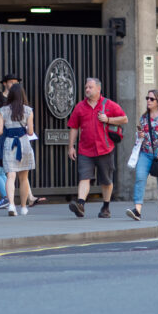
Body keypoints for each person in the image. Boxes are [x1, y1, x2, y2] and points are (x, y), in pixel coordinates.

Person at [67, 77, 127, 218]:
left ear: (98, 89)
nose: (87, 89)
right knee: (84, 177)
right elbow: (74, 128)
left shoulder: (109, 105)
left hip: (105, 148)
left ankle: (106, 207)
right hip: (85, 149)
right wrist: (71, 147)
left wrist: (108, 119)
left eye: (90, 87)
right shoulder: (80, 107)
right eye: (86, 87)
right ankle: (81, 204)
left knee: (106, 180)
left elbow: (124, 119)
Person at [126, 89, 158, 226]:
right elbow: (141, 134)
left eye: (151, 99)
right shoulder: (143, 117)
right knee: (140, 178)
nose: (148, 100)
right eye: (147, 98)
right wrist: (139, 135)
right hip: (145, 153)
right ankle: (137, 211)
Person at [0, 84, 45, 215]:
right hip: (23, 143)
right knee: (24, 178)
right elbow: (30, 132)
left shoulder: (2, 110)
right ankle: (23, 207)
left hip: (9, 144)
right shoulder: (28, 110)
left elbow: (0, 131)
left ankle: (11, 205)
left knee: (10, 176)